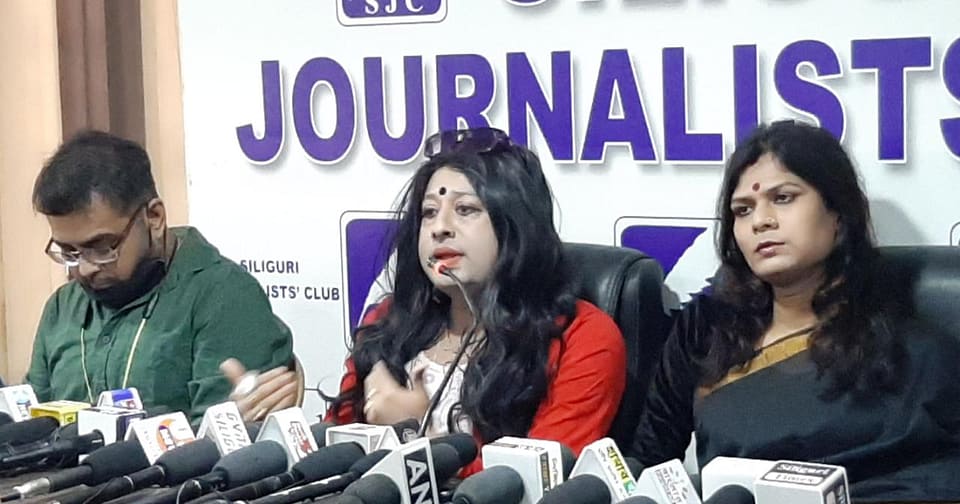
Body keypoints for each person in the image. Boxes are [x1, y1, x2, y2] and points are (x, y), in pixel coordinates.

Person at [628, 120, 960, 501]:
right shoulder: (706, 329)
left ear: (838, 214)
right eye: (743, 210)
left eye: (783, 198)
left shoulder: (913, 352)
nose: (761, 221)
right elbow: (650, 462)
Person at [322, 127, 626, 475]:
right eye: (429, 212)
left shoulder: (583, 338)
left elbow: (538, 479)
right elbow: (334, 450)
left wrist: (416, 435)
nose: (440, 228)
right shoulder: (388, 320)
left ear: (515, 225)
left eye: (465, 209)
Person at [26, 130, 295, 424]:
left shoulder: (224, 297)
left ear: (154, 217)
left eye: (102, 247)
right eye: (69, 252)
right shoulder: (62, 306)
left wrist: (227, 425)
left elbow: (220, 441)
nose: (85, 268)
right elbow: (33, 423)